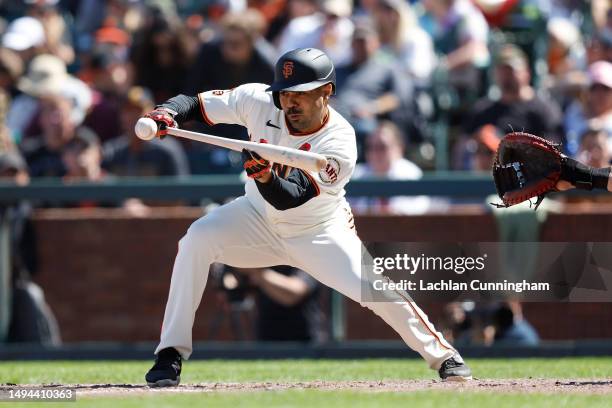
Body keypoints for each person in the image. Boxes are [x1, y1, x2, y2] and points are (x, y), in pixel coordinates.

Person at [142, 47, 471, 387]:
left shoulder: (340, 140)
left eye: (299, 94)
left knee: (377, 291)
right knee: (196, 239)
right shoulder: (257, 99)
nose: (289, 103)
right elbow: (195, 103)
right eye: (284, 93)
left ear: (326, 91)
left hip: (318, 230)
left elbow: (291, 197)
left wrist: (265, 176)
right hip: (256, 216)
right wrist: (165, 114)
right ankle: (170, 354)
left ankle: (445, 356)